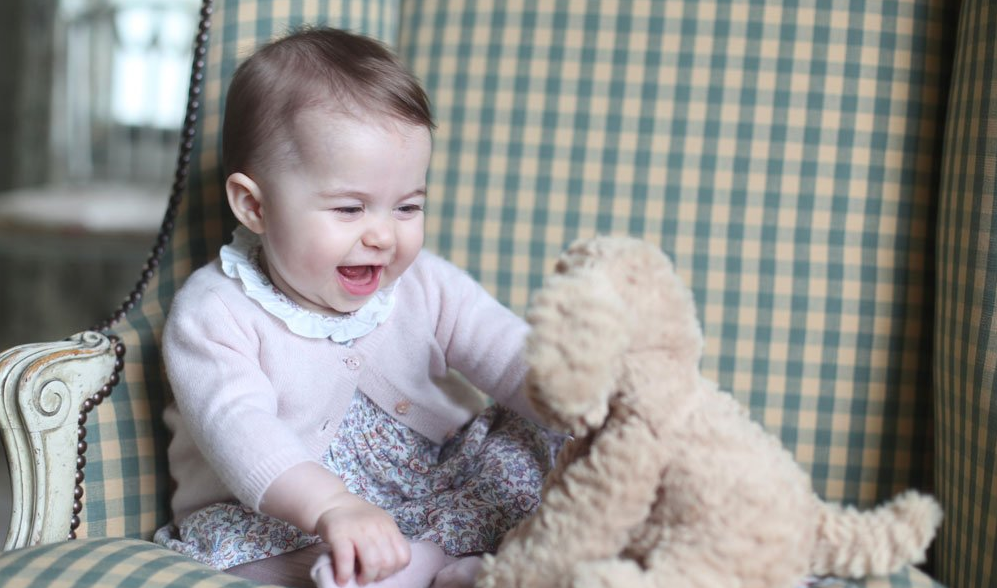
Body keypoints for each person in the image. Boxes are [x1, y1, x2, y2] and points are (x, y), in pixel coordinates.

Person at [153, 26, 558, 588]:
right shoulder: (214, 314)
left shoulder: (424, 284)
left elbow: (509, 352)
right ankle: (422, 569)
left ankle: (456, 559)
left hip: (441, 476)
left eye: (407, 207)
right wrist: (333, 508)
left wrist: (580, 402)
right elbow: (239, 429)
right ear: (254, 205)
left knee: (542, 441)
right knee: (257, 554)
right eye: (349, 209)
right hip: (290, 509)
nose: (383, 237)